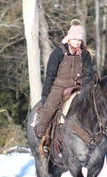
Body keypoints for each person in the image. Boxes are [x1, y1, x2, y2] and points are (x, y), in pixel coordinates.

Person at [36, 19, 94, 152]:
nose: (77, 42)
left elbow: (88, 74)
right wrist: (45, 95)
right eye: (75, 39)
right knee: (49, 108)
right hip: (59, 88)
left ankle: (105, 136)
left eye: (79, 40)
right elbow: (50, 75)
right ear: (69, 38)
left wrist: (85, 90)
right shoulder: (58, 52)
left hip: (79, 88)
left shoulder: (84, 54)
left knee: (97, 105)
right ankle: (41, 136)